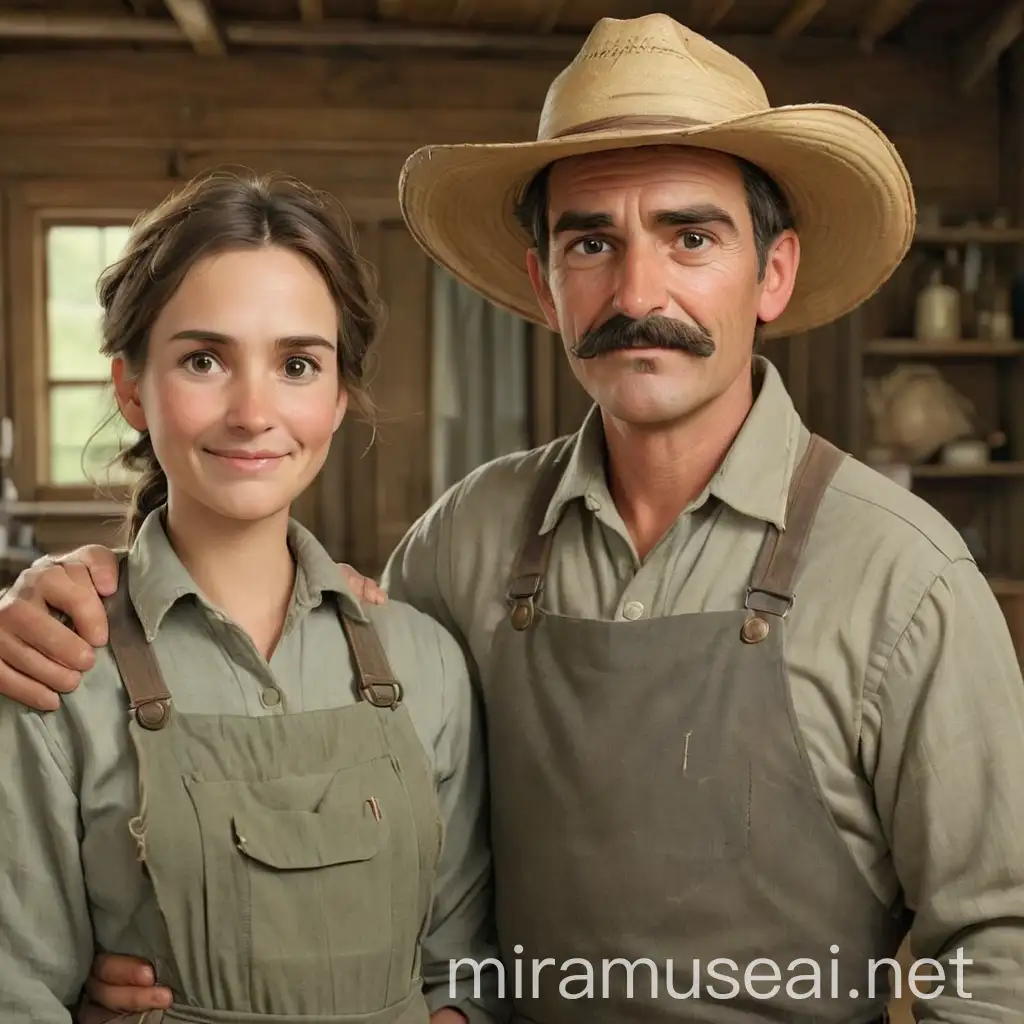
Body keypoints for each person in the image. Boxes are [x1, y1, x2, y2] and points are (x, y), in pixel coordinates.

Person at [3, 11, 1024, 1022]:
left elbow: (1002, 944)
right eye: (591, 241)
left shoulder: (903, 574)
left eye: (691, 236)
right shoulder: (468, 540)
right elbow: (304, 696)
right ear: (543, 283)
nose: (636, 287)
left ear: (774, 270)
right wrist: (80, 595)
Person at [0, 169, 505, 1024]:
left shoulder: (424, 660)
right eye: (204, 359)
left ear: (339, 397)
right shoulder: (56, 667)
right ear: (131, 388)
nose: (252, 411)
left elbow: (465, 968)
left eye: (297, 364)